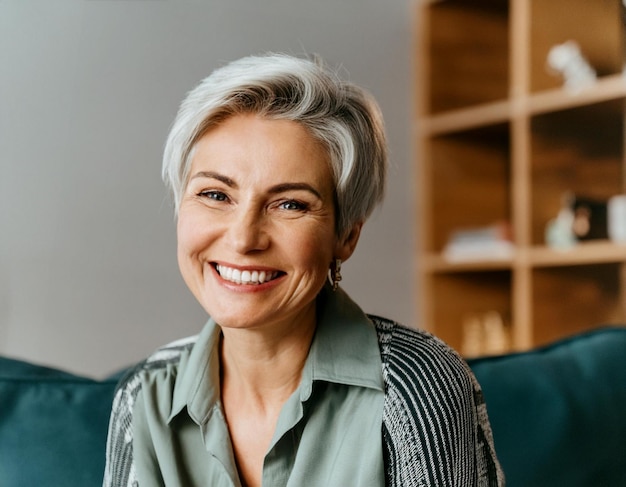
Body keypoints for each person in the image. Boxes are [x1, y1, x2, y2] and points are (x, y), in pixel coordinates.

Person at [103, 53, 504, 487]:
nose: (243, 239)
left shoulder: (419, 387)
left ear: (346, 236)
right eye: (216, 195)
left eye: (290, 204)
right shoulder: (144, 395)